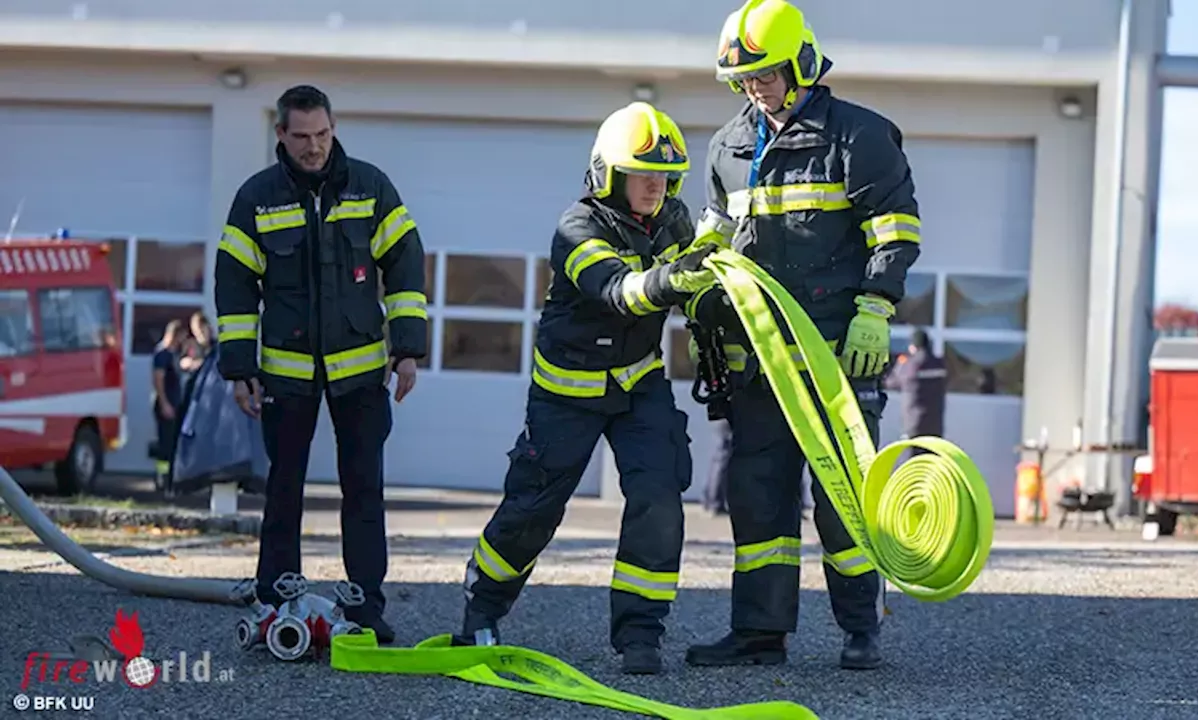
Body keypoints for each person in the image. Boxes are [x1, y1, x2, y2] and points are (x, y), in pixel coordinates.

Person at [683, 0, 923, 671]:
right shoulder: (728, 145)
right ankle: (760, 635)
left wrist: (876, 306)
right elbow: (716, 235)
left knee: (843, 501)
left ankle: (860, 631)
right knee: (758, 499)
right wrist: (695, 278)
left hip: (838, 357)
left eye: (765, 74)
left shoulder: (860, 137)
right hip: (759, 362)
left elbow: (895, 230)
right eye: (744, 79)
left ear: (802, 63)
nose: (755, 88)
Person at [454, 102, 716, 675]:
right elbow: (621, 291)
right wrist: (676, 277)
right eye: (642, 173)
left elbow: (697, 285)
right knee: (534, 507)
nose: (656, 184)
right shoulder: (576, 227)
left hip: (639, 381)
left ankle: (641, 634)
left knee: (659, 497)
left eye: (665, 175)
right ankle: (481, 608)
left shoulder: (673, 219)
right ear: (609, 174)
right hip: (567, 391)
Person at [214, 84, 427, 643]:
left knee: (364, 490)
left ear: (334, 128)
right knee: (283, 489)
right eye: (303, 136)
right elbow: (234, 286)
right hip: (286, 374)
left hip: (360, 373)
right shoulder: (256, 198)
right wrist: (239, 368)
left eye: (324, 134)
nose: (315, 148)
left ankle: (365, 608)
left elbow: (406, 264)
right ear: (280, 135)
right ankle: (276, 600)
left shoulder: (370, 186)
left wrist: (408, 349)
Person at [883, 326, 948, 455]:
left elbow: (891, 382)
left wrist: (898, 364)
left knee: (915, 465)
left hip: (914, 425)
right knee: (931, 463)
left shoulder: (909, 364)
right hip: (935, 425)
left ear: (913, 345)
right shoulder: (939, 364)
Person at [150, 319, 189, 468]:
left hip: (174, 402)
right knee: (165, 443)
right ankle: (163, 477)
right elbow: (158, 379)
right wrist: (164, 403)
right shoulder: (162, 354)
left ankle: (171, 475)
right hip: (165, 403)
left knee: (174, 442)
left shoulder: (175, 353)